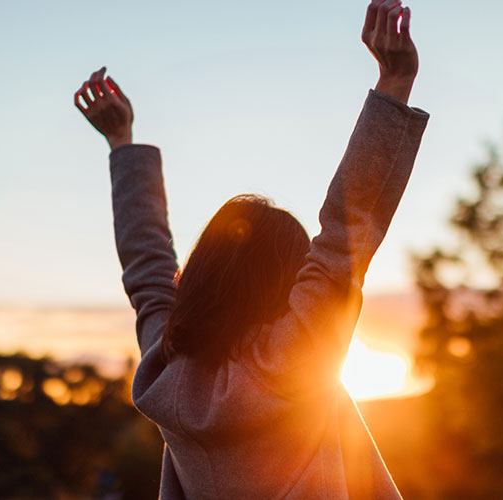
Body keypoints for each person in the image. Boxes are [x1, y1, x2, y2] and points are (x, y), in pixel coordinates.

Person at [74, 0, 429, 498]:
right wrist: (395, 82)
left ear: (198, 277)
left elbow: (148, 270)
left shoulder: (164, 369)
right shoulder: (292, 359)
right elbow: (343, 239)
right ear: (285, 284)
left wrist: (121, 143)